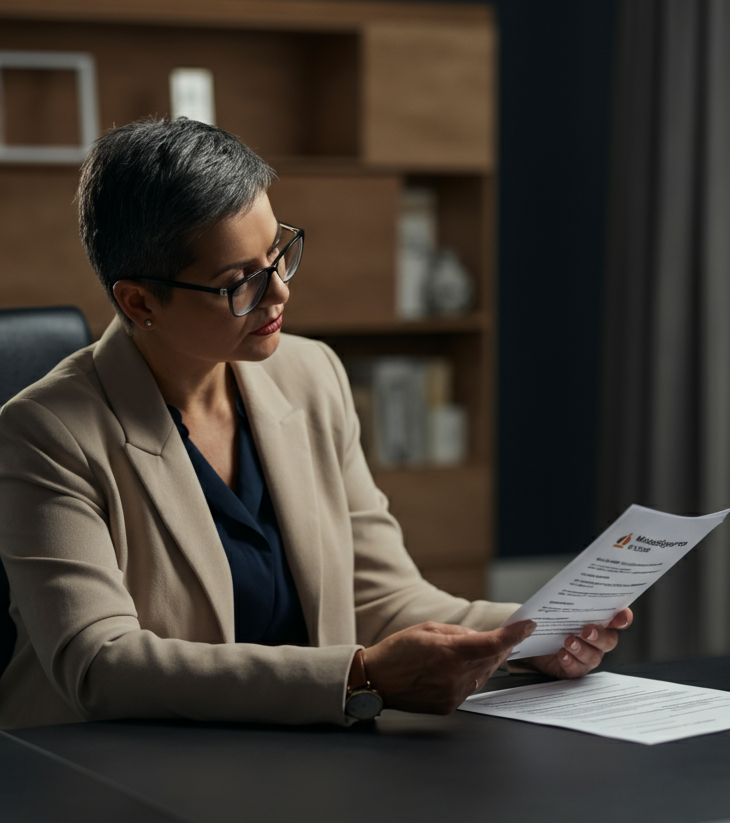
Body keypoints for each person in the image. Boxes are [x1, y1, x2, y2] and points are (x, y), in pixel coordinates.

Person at [0, 118, 631, 730]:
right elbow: (101, 665)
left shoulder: (312, 376)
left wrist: (529, 634)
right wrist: (359, 678)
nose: (278, 294)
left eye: (276, 254)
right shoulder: (46, 434)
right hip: (104, 779)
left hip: (299, 763)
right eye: (239, 281)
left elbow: (381, 598)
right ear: (139, 302)